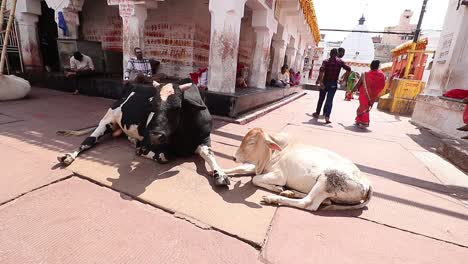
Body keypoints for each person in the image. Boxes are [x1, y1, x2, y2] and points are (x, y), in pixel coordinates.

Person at [313, 48, 351, 123]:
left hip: (325, 82)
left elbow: (321, 71)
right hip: (333, 84)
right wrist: (343, 80)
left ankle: (317, 113)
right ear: (337, 54)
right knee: (329, 100)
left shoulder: (326, 61)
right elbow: (349, 69)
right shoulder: (340, 62)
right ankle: (327, 117)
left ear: (330, 53)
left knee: (321, 98)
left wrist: (321, 82)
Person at [352, 60, 386, 128]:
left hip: (364, 94)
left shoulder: (365, 74)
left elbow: (359, 84)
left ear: (371, 65)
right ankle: (359, 120)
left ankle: (365, 121)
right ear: (378, 66)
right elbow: (382, 85)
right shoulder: (381, 75)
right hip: (372, 95)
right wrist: (376, 92)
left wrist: (351, 90)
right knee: (365, 107)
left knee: (363, 107)